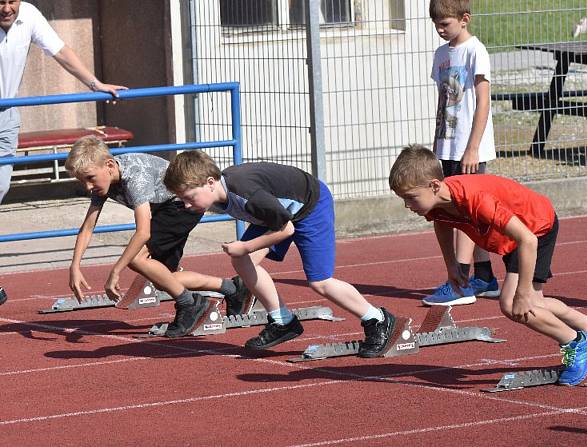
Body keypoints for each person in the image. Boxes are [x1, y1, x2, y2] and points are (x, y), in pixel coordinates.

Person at [389, 145, 587, 385]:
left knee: (513, 304)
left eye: (410, 197)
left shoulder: (475, 199)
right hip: (515, 239)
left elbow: (528, 240)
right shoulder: (437, 203)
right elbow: (443, 224)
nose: (407, 205)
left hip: (535, 228)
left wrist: (522, 292)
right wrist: (452, 266)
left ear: (434, 185)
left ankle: (579, 343)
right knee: (535, 303)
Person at [163, 150, 400, 358]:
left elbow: (286, 229)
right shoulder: (217, 194)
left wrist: (246, 246)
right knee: (242, 262)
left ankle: (377, 319)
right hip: (278, 214)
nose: (186, 204)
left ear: (210, 182)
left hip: (309, 207)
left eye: (189, 197)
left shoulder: (244, 193)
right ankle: (282, 320)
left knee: (320, 281)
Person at [65, 136, 250, 337]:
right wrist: (75, 266)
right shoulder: (103, 181)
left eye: (90, 178)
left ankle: (190, 305)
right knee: (164, 279)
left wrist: (116, 271)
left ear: (109, 165)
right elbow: (88, 227)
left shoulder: (135, 176)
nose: (87, 187)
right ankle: (233, 288)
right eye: (82, 181)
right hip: (164, 211)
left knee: (137, 259)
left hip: (182, 205)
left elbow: (143, 232)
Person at [0, 0, 126, 204]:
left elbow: (61, 51)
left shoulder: (29, 14)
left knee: (1, 185)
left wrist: (96, 84)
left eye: (11, 1)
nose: (6, 9)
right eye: (0, 2)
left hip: (7, 113)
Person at [426, 0, 499, 306]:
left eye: (445, 24)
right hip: (446, 145)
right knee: (456, 213)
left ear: (464, 19)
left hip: (469, 148)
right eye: (436, 25)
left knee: (466, 214)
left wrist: (472, 147)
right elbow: (444, 104)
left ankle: (461, 281)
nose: (440, 30)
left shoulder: (475, 51)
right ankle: (484, 277)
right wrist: (436, 145)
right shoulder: (442, 54)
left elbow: (483, 101)